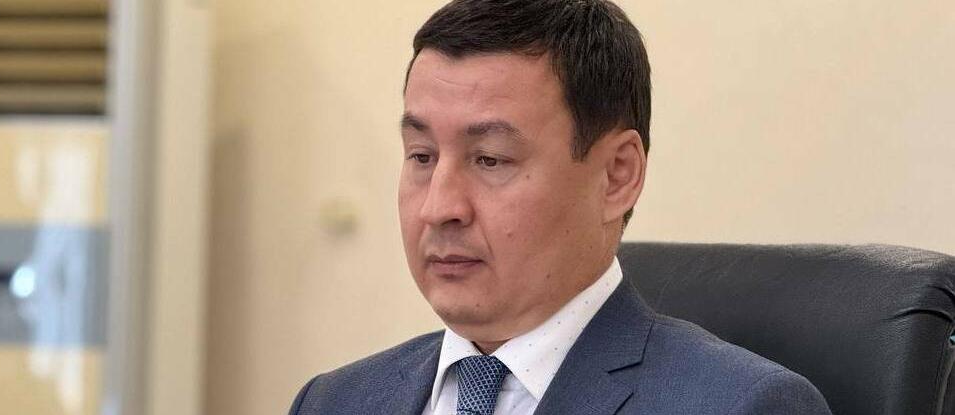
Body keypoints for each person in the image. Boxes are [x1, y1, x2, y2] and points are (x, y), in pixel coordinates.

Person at [288, 0, 833, 414]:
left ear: (617, 175)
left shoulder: (740, 405)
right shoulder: (334, 400)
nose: (439, 207)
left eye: (490, 159)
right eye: (422, 156)